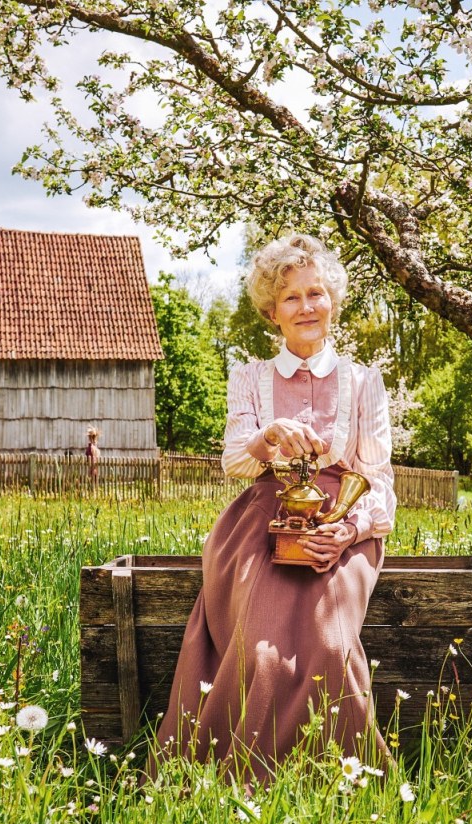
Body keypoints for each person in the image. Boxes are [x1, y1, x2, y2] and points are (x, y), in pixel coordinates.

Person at [147, 234, 396, 786]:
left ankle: (340, 783)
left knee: (330, 644)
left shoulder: (364, 380)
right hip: (262, 521)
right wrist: (268, 435)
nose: (306, 307)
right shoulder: (250, 376)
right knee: (256, 650)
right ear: (271, 312)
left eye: (316, 293)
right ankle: (240, 782)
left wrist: (349, 530)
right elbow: (234, 461)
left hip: (342, 524)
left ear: (332, 300)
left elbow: (379, 480)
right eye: (291, 298)